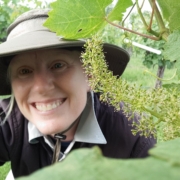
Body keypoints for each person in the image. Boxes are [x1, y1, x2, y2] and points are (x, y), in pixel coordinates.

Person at [0, 9, 156, 179]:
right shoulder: (6, 120)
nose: (41, 87)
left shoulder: (134, 136)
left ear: (90, 74)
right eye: (24, 71)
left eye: (58, 65)